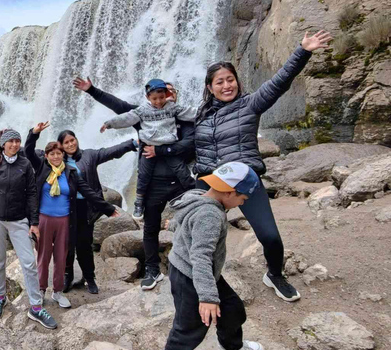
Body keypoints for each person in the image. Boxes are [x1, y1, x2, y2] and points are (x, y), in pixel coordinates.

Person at [194, 30, 332, 303]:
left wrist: (302, 51)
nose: (226, 86)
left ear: (237, 81)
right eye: (219, 82)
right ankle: (200, 284)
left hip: (243, 179)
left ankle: (274, 274)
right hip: (209, 180)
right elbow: (189, 147)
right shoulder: (200, 116)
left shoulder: (250, 104)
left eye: (230, 80)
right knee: (201, 236)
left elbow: (280, 82)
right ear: (210, 87)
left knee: (270, 236)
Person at [73, 78, 194, 291]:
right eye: (160, 94)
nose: (165, 96)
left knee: (193, 219)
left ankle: (192, 263)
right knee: (150, 228)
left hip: (180, 180)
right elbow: (119, 107)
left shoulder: (183, 118)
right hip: (153, 181)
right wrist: (92, 90)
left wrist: (161, 150)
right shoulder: (145, 114)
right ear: (150, 98)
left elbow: (188, 145)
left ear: (171, 96)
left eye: (169, 92)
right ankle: (152, 269)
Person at [165, 162, 263, 350]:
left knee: (232, 310)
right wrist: (208, 297)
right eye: (243, 198)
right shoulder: (210, 215)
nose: (242, 203)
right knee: (189, 329)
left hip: (202, 273)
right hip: (191, 276)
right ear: (229, 192)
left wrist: (172, 225)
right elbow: (201, 256)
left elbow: (183, 222)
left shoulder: (196, 196)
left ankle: (230, 345)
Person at [25, 123, 122, 307]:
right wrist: (34, 133)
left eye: (58, 153)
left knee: (62, 256)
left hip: (64, 220)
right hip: (45, 218)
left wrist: (107, 208)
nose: (55, 156)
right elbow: (28, 151)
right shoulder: (42, 167)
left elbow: (87, 191)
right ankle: (41, 289)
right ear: (46, 156)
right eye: (52, 154)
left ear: (63, 155)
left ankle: (58, 291)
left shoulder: (70, 172)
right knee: (43, 256)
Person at [0, 129, 58, 330]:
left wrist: (34, 223)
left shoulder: (25, 165)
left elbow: (32, 194)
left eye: (17, 141)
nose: (15, 144)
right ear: (3, 144)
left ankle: (36, 307)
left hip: (18, 220)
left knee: (29, 263)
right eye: (11, 141)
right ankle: (0, 297)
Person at [49, 126, 138, 294]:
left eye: (72, 140)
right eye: (66, 142)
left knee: (84, 245)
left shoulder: (89, 155)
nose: (70, 144)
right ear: (60, 145)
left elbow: (110, 152)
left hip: (86, 208)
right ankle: (68, 276)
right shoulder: (56, 159)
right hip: (65, 208)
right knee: (67, 245)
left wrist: (132, 143)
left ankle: (89, 278)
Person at [100, 78, 196, 220]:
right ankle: (139, 202)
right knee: (144, 174)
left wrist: (208, 112)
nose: (158, 101)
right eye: (154, 99)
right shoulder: (142, 110)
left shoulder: (172, 108)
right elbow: (126, 118)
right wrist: (109, 124)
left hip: (168, 145)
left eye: (162, 97)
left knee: (180, 169)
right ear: (147, 98)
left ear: (167, 94)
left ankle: (193, 190)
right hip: (148, 146)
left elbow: (191, 112)